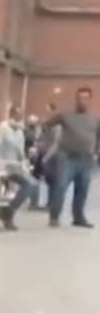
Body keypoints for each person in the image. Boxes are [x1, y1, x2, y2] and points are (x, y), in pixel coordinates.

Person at [43, 88, 100, 228]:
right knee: (60, 187)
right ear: (76, 99)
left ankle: (78, 217)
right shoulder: (65, 116)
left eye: (85, 98)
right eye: (79, 98)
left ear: (90, 100)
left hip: (86, 160)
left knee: (82, 189)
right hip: (67, 158)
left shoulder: (95, 120)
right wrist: (51, 142)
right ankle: (54, 217)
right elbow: (46, 125)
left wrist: (96, 152)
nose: (82, 101)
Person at [0, 106, 36, 230]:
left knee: (30, 185)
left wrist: (25, 163)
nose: (18, 118)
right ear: (11, 114)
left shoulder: (19, 132)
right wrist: (0, 169)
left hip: (15, 166)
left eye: (20, 116)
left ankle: (8, 211)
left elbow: (20, 152)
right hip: (1, 167)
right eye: (16, 115)